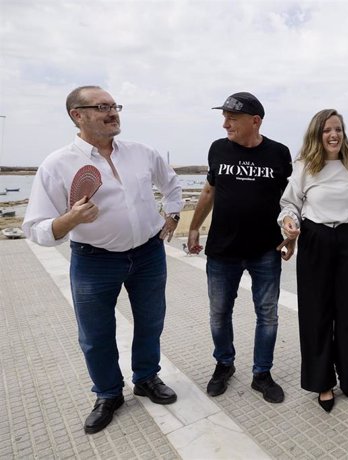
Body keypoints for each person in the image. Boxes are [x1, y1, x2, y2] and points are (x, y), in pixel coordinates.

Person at [22, 86, 183, 434]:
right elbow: (35, 228)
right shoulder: (57, 164)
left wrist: (172, 217)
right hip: (94, 261)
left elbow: (172, 186)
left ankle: (146, 378)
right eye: (102, 107)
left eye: (114, 106)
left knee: (151, 321)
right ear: (77, 115)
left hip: (148, 254)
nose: (112, 112)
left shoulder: (142, 153)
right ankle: (109, 394)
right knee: (95, 335)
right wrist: (70, 219)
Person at [186, 92, 293, 404]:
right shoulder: (218, 149)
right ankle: (224, 364)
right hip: (223, 251)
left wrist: (292, 237)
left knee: (268, 314)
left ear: (255, 121)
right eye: (224, 117)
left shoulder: (278, 153)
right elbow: (209, 190)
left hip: (266, 250)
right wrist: (194, 227)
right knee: (219, 313)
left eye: (232, 118)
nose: (225, 124)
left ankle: (262, 374)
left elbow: (290, 201)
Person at [278, 109, 348, 412]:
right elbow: (289, 204)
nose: (334, 135)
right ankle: (323, 383)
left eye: (338, 129)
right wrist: (289, 222)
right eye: (327, 130)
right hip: (316, 241)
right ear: (317, 134)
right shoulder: (305, 167)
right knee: (316, 315)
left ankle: (346, 376)